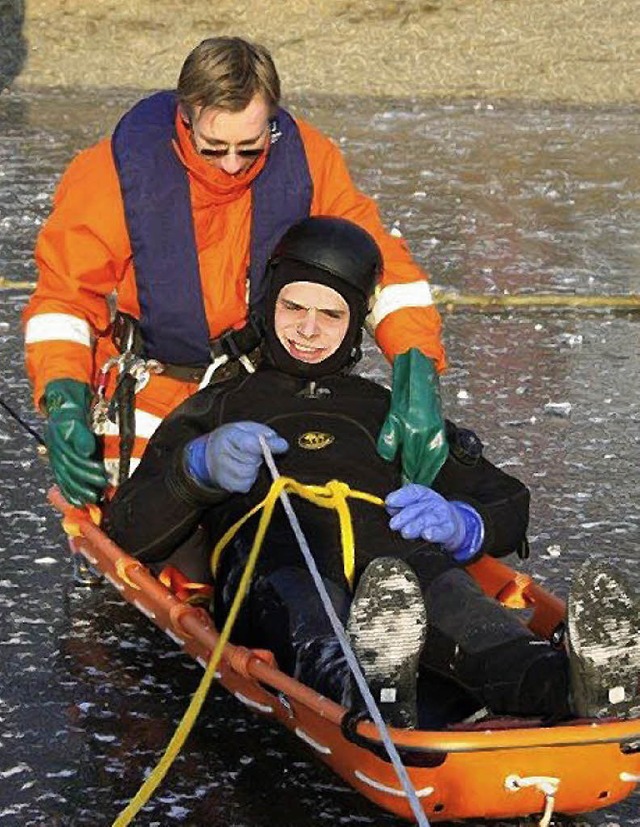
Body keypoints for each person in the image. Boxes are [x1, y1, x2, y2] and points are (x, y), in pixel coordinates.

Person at [105, 216, 640, 728]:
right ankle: (367, 692)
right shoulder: (217, 407)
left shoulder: (385, 408)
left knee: (459, 608)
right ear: (269, 303)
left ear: (355, 321)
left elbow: (505, 497)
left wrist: (463, 523)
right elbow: (128, 529)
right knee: (310, 611)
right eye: (295, 307)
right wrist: (194, 470)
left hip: (395, 552)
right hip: (279, 556)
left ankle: (573, 684)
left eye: (331, 315)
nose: (309, 330)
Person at [22, 35, 447, 509]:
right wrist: (64, 401)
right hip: (153, 387)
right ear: (185, 118)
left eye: (250, 147)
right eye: (213, 148)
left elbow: (378, 265)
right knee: (143, 515)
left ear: (271, 121)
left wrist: (416, 367)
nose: (230, 166)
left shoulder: (310, 160)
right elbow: (63, 300)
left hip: (262, 381)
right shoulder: (112, 173)